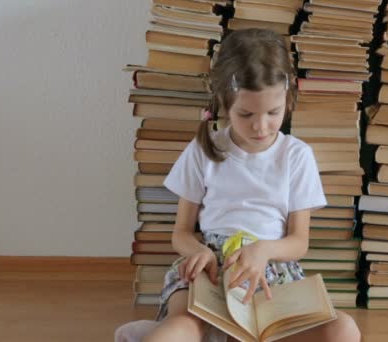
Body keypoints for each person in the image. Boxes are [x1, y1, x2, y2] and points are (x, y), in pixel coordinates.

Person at [116, 28, 361, 342]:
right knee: (181, 330)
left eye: (273, 113)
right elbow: (181, 233)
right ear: (224, 102)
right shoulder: (203, 149)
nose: (261, 127)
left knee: (343, 330)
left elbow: (299, 242)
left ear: (288, 99)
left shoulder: (297, 156)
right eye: (245, 114)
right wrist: (199, 252)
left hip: (272, 271)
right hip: (208, 271)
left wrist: (263, 251)